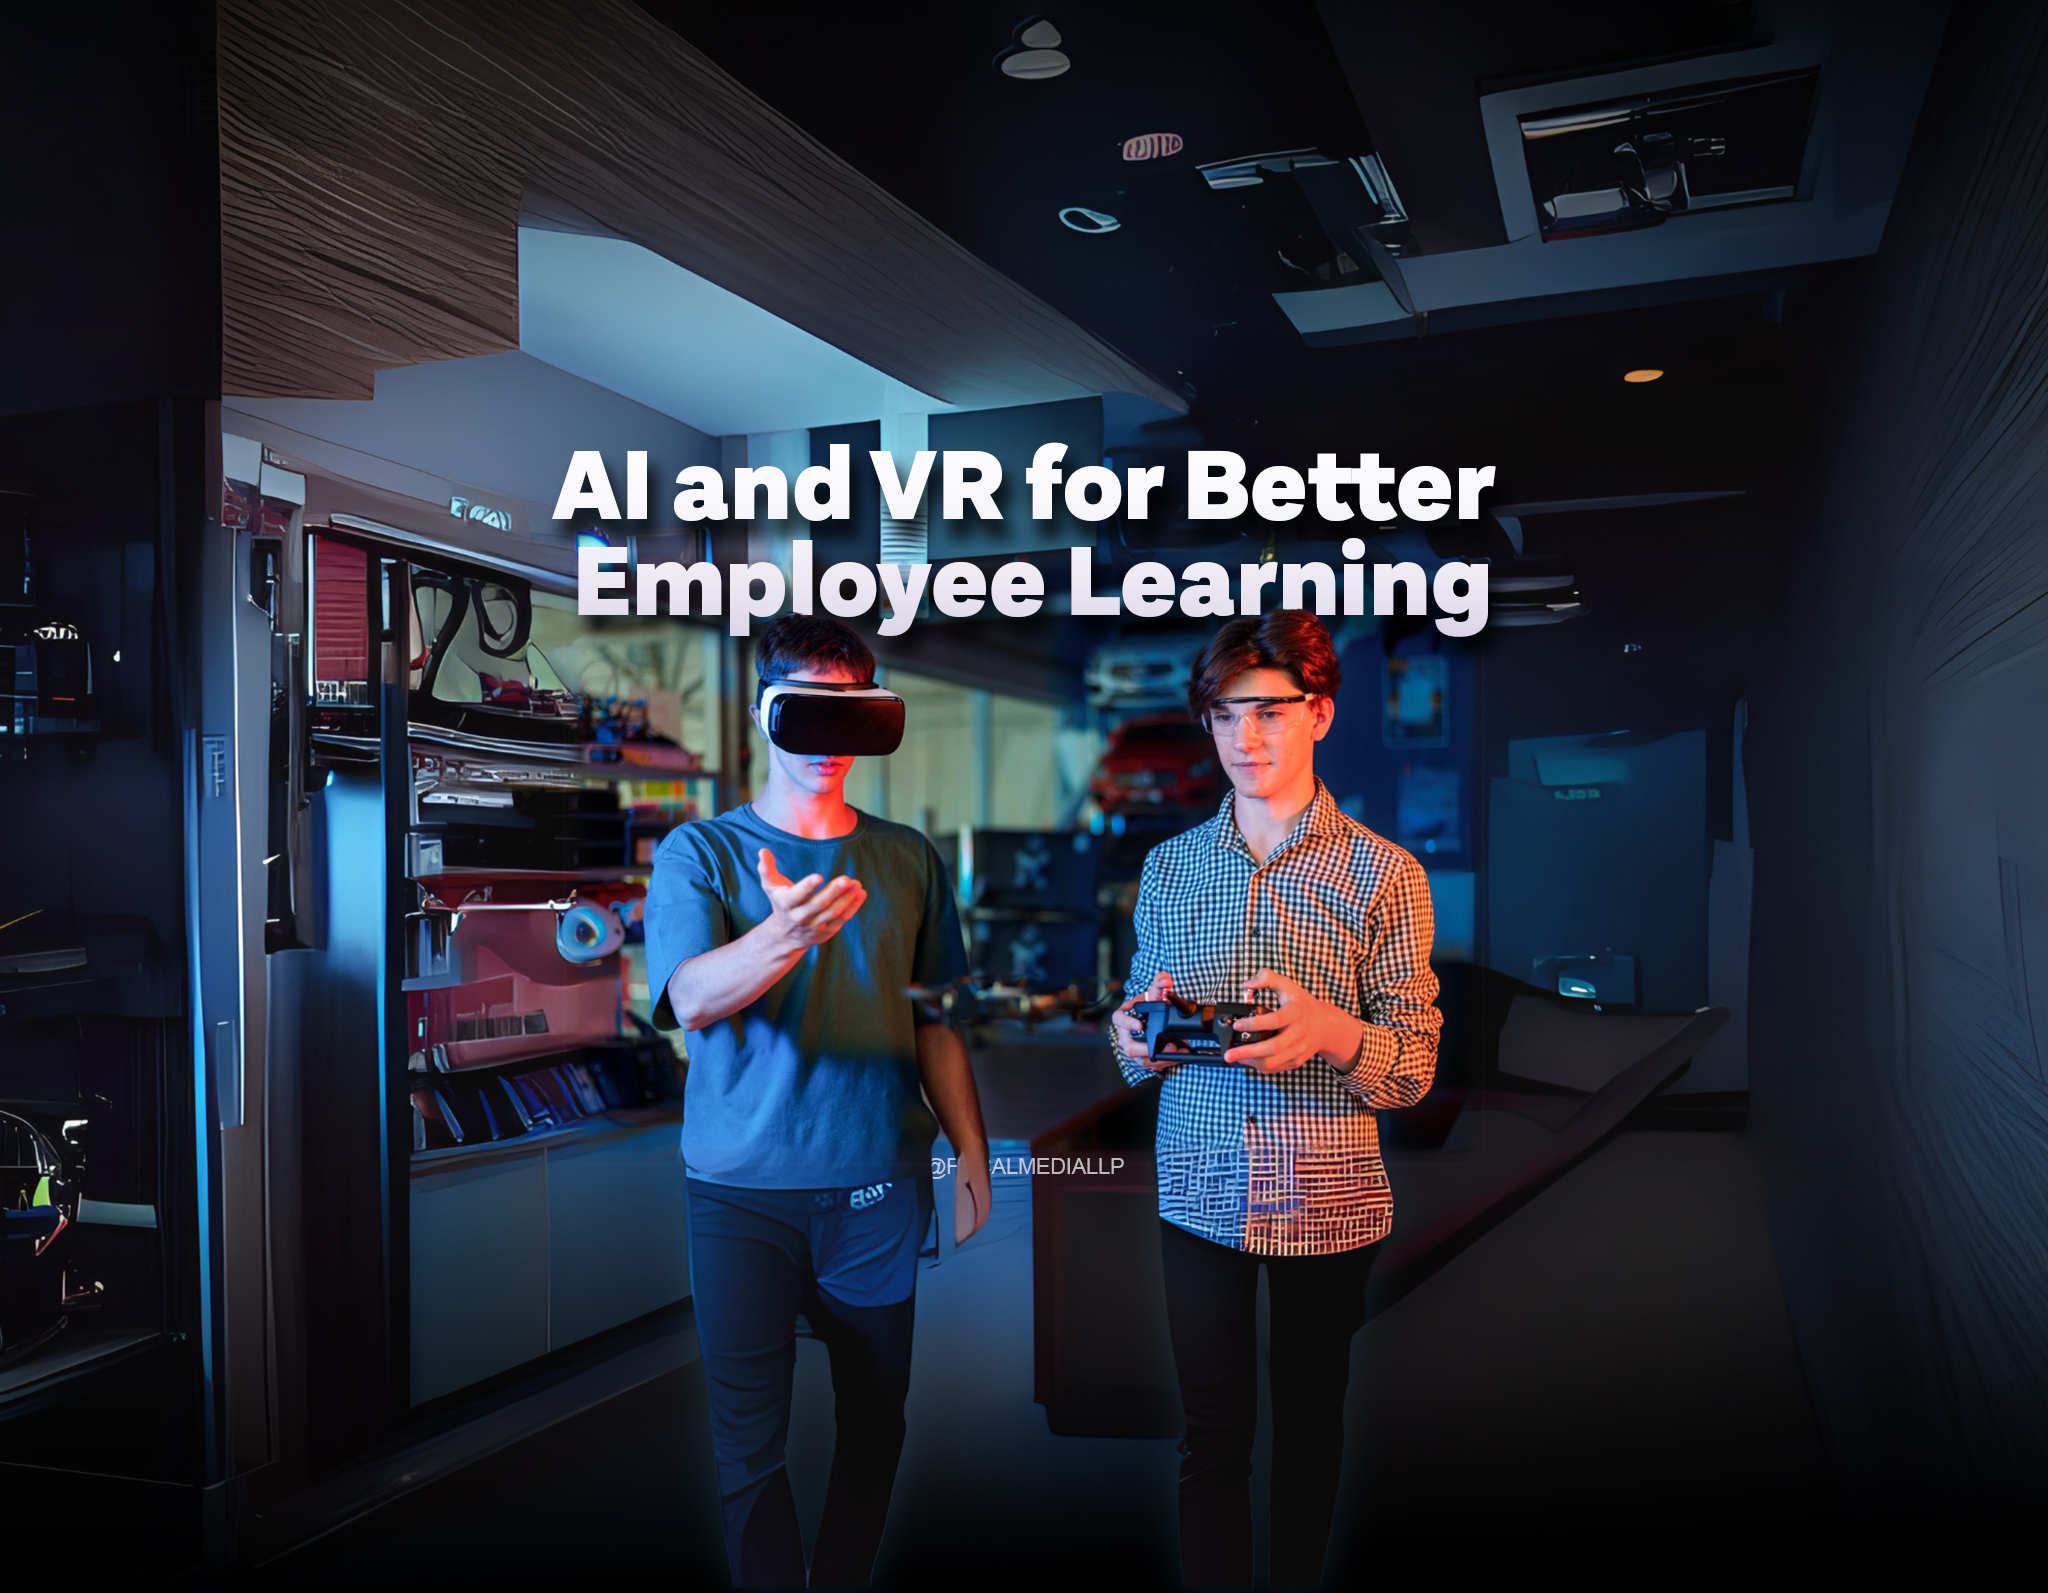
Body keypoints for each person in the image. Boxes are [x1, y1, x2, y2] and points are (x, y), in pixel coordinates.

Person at [645, 614, 993, 1588]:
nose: (831, 739)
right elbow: (687, 999)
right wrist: (783, 936)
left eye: (853, 711)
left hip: (877, 1187)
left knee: (875, 1423)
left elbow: (935, 1022)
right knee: (746, 1441)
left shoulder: (909, 858)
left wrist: (970, 1146)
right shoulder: (699, 853)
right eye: (809, 709)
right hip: (740, 1194)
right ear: (765, 714)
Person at [1110, 609, 1441, 1589]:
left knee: (1305, 1429)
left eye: (1266, 712)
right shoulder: (1168, 870)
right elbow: (1141, 1019)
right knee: (1209, 1438)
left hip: (1329, 1198)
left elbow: (1413, 1065)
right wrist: (1135, 1034)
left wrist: (1329, 1033)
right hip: (1199, 1190)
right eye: (1221, 716)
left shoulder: (1384, 874)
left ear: (1320, 713)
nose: (1242, 740)